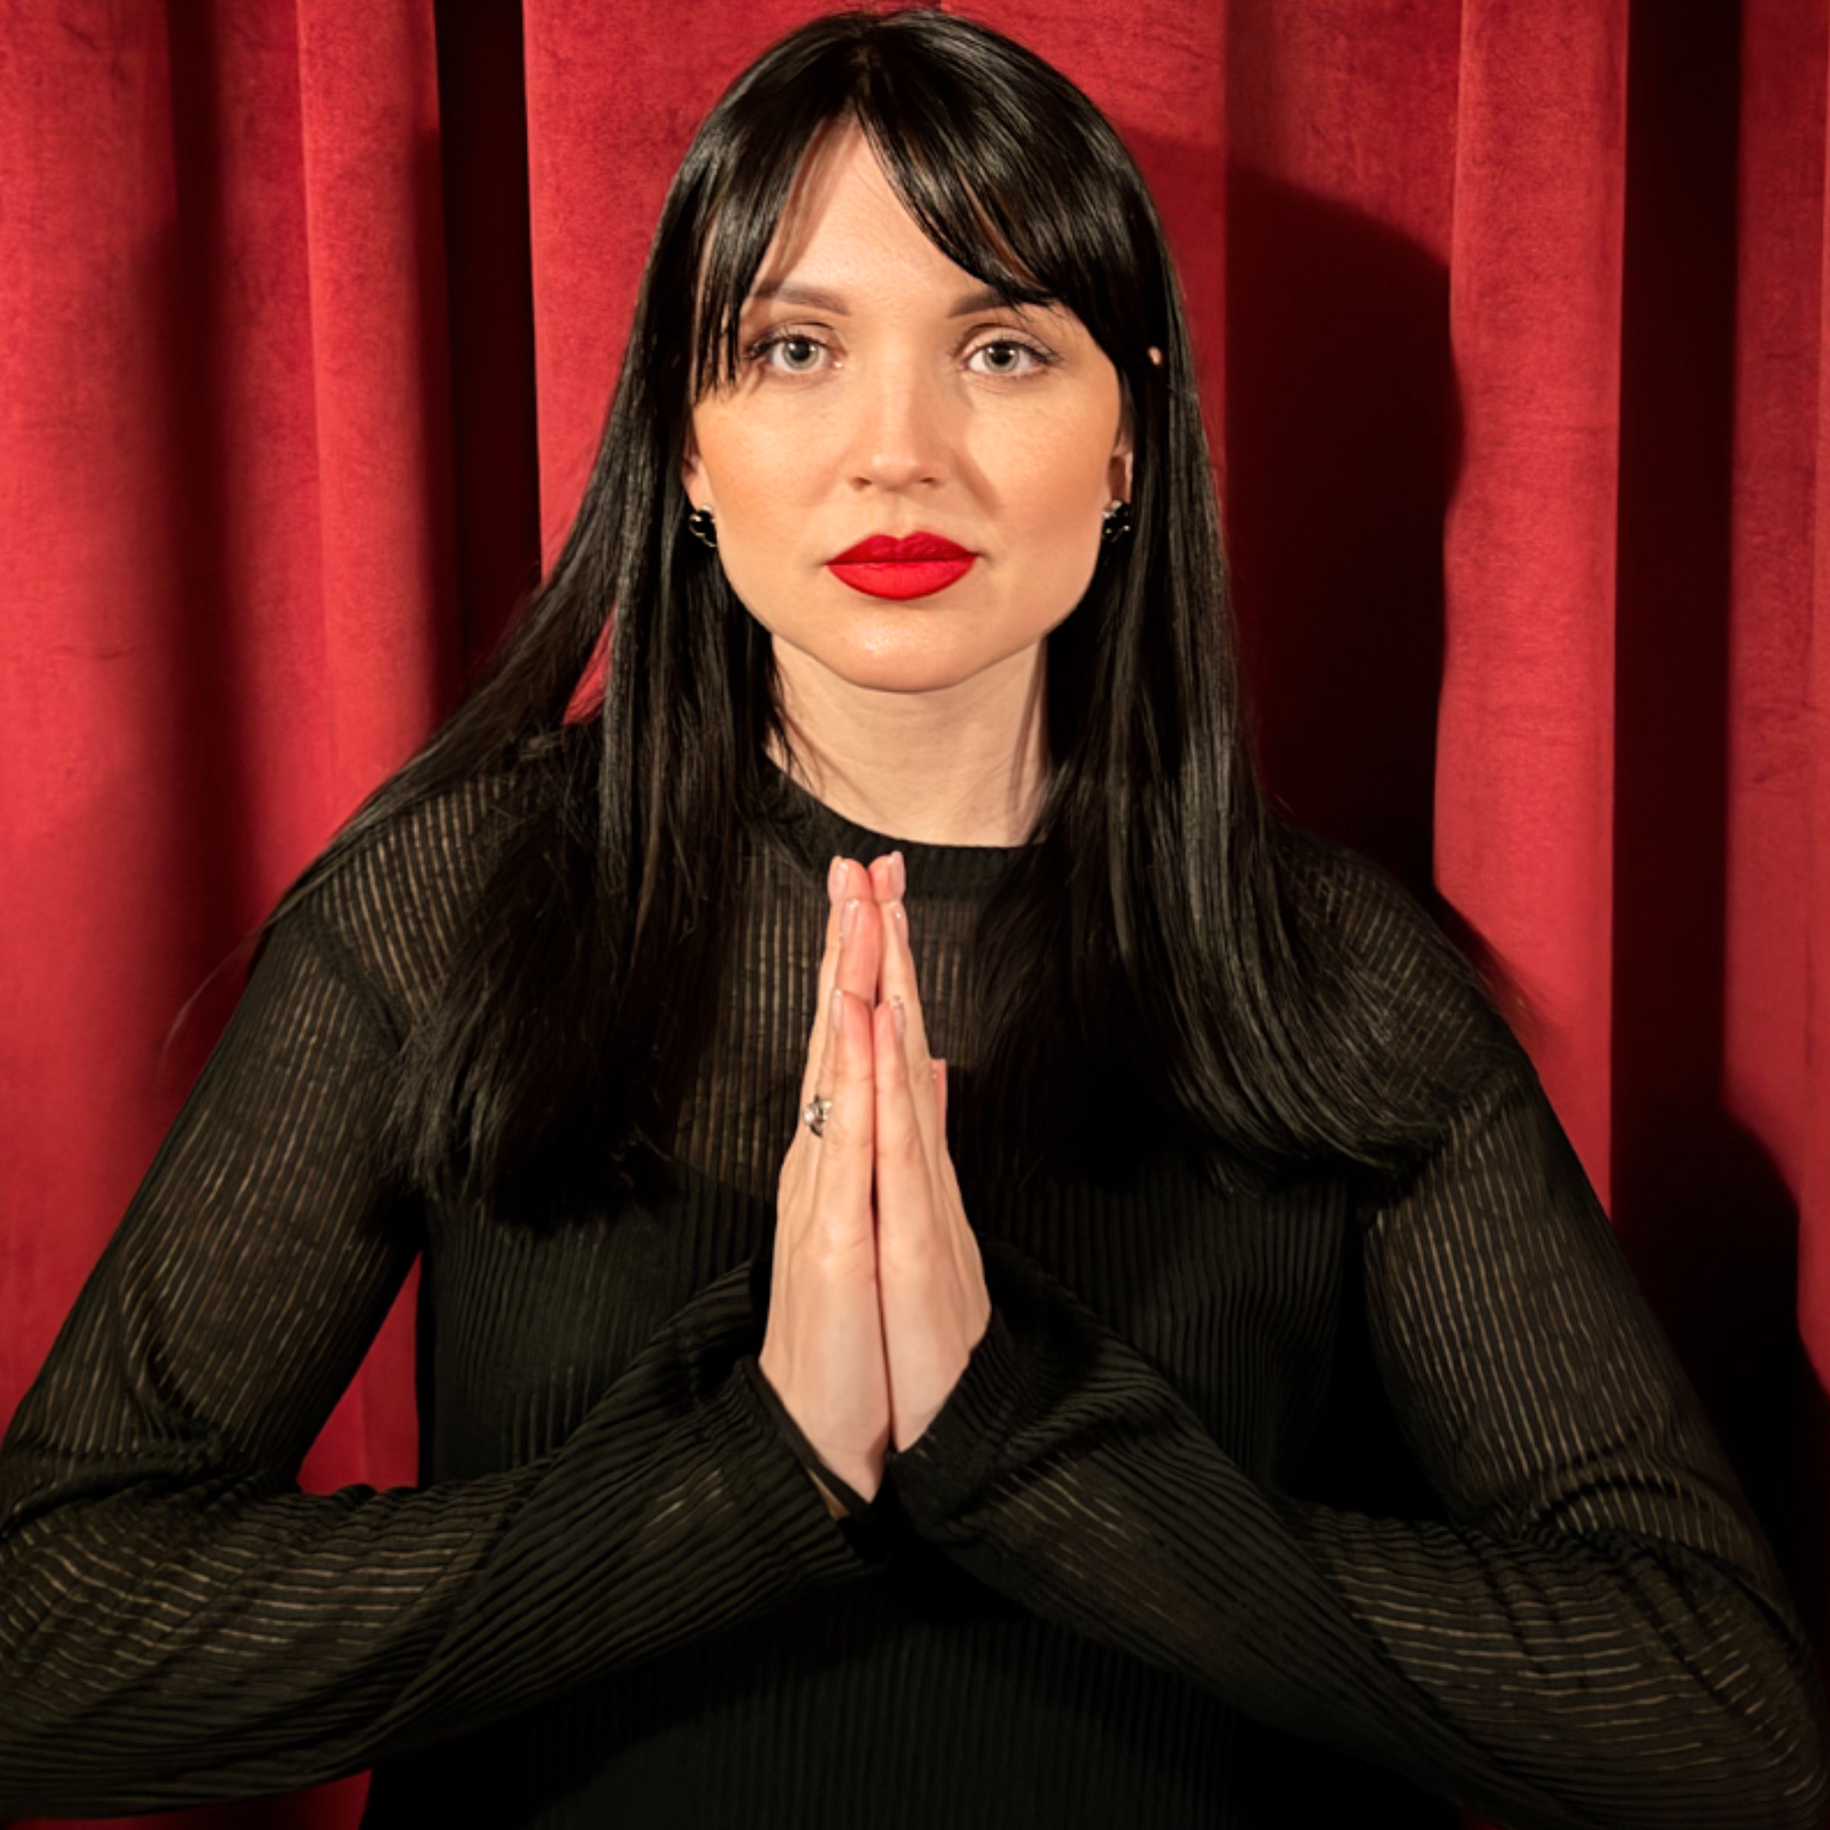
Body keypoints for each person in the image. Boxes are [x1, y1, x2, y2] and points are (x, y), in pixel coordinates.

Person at [1, 7, 1825, 1826]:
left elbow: (1726, 1726)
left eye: (1002, 348)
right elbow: (44, 1648)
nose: (899, 451)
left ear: (1130, 444)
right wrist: (745, 1473)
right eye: (796, 346)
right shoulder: (448, 913)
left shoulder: (1337, 982)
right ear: (686, 443)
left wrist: (1022, 1445)